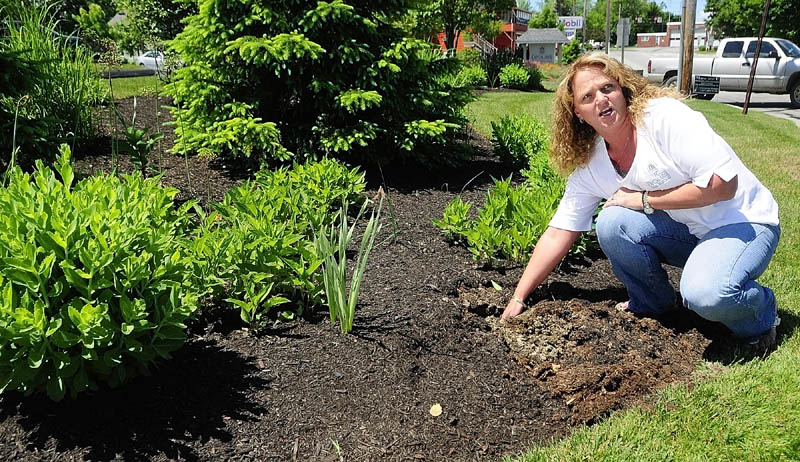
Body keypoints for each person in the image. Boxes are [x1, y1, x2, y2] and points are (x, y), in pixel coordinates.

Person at [501, 52, 781, 349]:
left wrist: (645, 199)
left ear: (622, 90)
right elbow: (560, 231)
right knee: (612, 222)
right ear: (578, 113)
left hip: (744, 221)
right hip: (692, 230)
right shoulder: (592, 164)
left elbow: (723, 187)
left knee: (706, 294)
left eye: (607, 88)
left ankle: (761, 317)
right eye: (588, 96)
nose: (601, 99)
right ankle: (654, 305)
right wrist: (519, 296)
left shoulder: (663, 118)